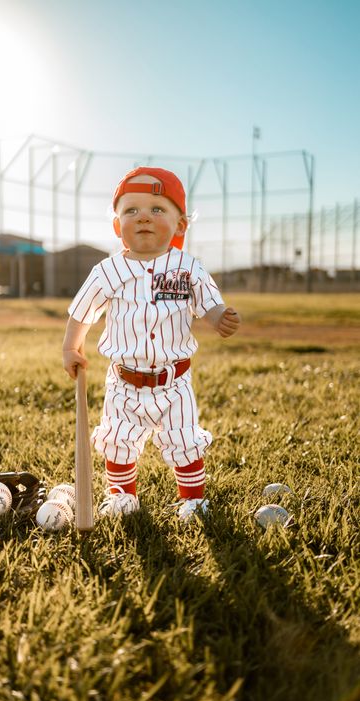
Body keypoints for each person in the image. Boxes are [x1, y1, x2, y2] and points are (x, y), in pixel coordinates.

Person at [62, 167, 241, 521]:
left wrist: (220, 317)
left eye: (157, 209)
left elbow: (209, 304)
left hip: (174, 382)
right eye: (131, 210)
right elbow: (83, 312)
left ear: (180, 226)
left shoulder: (188, 268)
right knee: (118, 439)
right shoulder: (107, 271)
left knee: (184, 439)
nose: (143, 216)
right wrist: (71, 347)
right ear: (117, 226)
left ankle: (193, 499)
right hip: (123, 382)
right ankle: (121, 496)